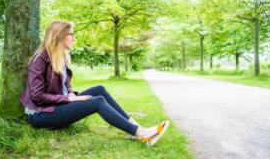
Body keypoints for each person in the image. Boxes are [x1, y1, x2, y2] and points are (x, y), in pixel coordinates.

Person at [19, 20, 169, 146]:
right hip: (41, 115)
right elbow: (36, 96)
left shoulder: (61, 57)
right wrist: (68, 98)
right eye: (71, 35)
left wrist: (70, 92)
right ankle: (141, 134)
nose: (74, 39)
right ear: (60, 36)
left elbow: (64, 85)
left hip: (56, 107)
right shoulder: (39, 59)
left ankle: (137, 127)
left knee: (99, 90)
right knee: (97, 102)